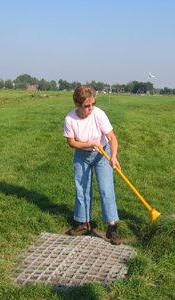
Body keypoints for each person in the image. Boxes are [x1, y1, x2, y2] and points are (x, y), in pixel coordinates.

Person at [63, 85, 122, 245]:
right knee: (82, 189)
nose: (90, 108)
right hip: (82, 155)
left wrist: (113, 157)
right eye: (86, 105)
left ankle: (111, 228)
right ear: (77, 104)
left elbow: (112, 138)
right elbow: (72, 143)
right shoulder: (70, 119)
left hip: (103, 154)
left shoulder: (98, 114)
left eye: (93, 104)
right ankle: (84, 223)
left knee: (106, 189)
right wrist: (89, 144)